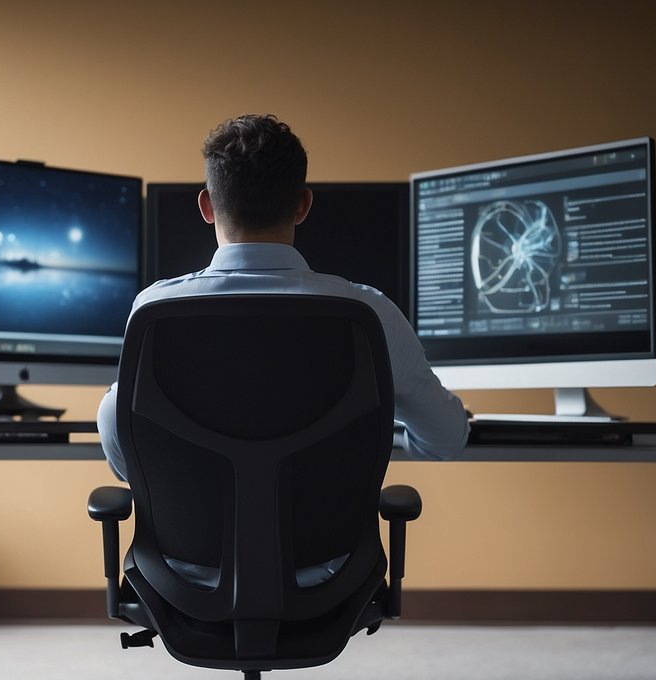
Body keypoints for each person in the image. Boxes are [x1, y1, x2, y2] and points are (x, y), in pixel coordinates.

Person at [98, 114, 468, 480]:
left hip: (186, 539)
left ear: (207, 207)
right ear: (303, 205)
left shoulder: (156, 309)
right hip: (329, 539)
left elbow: (118, 432)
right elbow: (446, 439)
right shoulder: (369, 312)